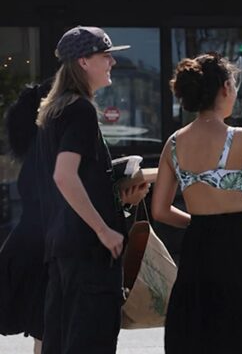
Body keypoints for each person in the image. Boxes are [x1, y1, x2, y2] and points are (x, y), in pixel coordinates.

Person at [151, 52, 242, 353]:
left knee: (199, 331)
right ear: (225, 89)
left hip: (198, 245)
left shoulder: (174, 142)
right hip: (237, 244)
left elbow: (160, 210)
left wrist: (198, 221)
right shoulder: (238, 138)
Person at [35, 26, 149, 354]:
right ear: (84, 62)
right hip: (88, 254)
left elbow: (73, 180)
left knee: (62, 342)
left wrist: (120, 200)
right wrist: (104, 230)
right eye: (105, 56)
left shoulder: (56, 110)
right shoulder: (81, 110)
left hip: (63, 248)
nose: (112, 62)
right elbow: (64, 176)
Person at [0, 78, 51, 354]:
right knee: (47, 327)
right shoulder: (50, 149)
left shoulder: (33, 149)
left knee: (43, 331)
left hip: (28, 244)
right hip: (47, 246)